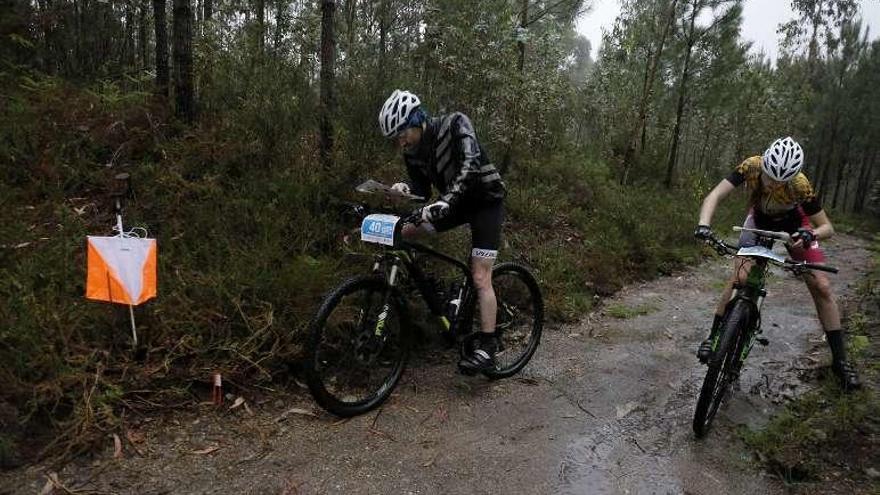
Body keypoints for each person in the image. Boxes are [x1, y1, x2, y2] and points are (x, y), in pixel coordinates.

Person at [694, 136, 861, 390]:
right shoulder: (751, 166)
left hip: (794, 227)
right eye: (769, 177)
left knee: (822, 286)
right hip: (758, 221)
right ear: (764, 165)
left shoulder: (800, 185)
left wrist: (810, 235)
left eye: (780, 181)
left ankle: (840, 362)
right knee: (740, 277)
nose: (773, 184)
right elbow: (715, 195)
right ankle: (714, 338)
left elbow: (827, 227)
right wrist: (704, 226)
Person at [378, 89, 506, 375]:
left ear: (416, 120)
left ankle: (488, 348)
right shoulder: (412, 153)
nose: (400, 143)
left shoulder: (456, 124)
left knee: (480, 276)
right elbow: (422, 191)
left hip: (485, 201)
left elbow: (470, 167)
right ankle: (433, 290)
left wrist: (445, 202)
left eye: (401, 134)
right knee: (405, 231)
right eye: (395, 139)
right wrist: (404, 190)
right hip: (453, 204)